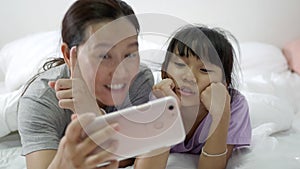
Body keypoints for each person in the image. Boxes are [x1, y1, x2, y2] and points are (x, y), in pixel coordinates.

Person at [17, 0, 154, 169]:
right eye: (104, 56)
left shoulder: (139, 80)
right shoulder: (40, 100)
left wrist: (94, 115)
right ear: (68, 55)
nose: (121, 71)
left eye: (130, 54)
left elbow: (133, 153)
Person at [151, 25, 252, 169]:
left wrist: (221, 115)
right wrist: (167, 111)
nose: (188, 77)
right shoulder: (159, 97)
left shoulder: (235, 104)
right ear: (164, 72)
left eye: (204, 70)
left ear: (224, 83)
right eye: (180, 64)